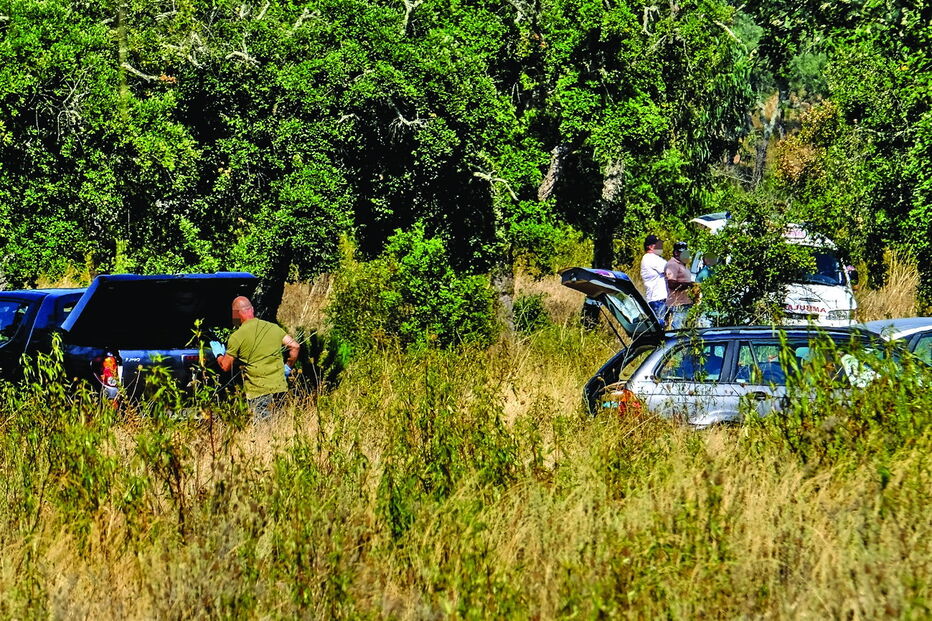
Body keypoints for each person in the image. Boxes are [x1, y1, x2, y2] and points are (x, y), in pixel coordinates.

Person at [216, 296, 300, 421]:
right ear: (252, 309)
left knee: (263, 431)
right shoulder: (273, 327)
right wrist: (287, 367)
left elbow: (225, 366)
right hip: (280, 387)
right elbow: (295, 346)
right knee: (279, 426)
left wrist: (218, 354)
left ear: (236, 314)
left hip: (259, 391)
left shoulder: (237, 337)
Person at [665, 241, 695, 329]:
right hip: (677, 305)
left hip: (686, 303)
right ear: (676, 252)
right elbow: (672, 284)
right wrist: (689, 285)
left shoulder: (683, 265)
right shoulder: (672, 265)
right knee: (678, 332)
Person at [640, 234, 668, 323]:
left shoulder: (655, 258)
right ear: (651, 246)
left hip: (659, 299)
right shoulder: (651, 258)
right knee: (659, 328)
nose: (661, 247)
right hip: (657, 300)